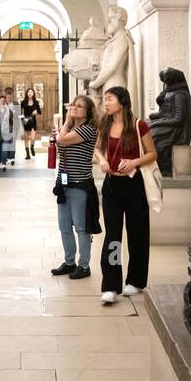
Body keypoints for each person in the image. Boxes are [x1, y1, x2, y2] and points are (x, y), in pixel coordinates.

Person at [95, 86, 157, 304]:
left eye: (109, 99)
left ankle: (136, 280)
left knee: (137, 233)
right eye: (105, 99)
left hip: (135, 185)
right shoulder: (105, 123)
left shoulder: (139, 125)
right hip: (112, 185)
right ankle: (111, 285)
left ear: (122, 101)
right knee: (113, 236)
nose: (106, 103)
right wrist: (102, 160)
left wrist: (134, 162)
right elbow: (98, 148)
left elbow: (152, 153)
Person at [50, 95, 100, 280]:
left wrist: (67, 120)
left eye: (79, 106)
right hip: (64, 184)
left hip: (80, 185)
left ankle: (84, 265)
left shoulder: (88, 129)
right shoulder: (70, 128)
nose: (74, 108)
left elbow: (61, 141)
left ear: (88, 112)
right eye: (73, 105)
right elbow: (61, 142)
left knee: (81, 227)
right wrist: (68, 122)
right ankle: (69, 262)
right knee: (64, 226)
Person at [0, 94, 17, 171]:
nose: (3, 102)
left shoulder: (9, 111)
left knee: (4, 148)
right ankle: (0, 161)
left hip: (6, 132)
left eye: (4, 101)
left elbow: (12, 122)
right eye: (1, 101)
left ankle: (4, 164)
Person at [20, 87, 43, 159]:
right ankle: (27, 154)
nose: (30, 93)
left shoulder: (36, 102)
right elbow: (20, 112)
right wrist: (22, 119)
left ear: (33, 94)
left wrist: (36, 112)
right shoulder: (23, 102)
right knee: (26, 138)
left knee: (32, 138)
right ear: (27, 93)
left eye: (31, 92)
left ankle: (32, 147)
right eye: (29, 92)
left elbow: (39, 112)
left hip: (33, 122)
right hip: (25, 121)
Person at [3, 87, 20, 165]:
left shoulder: (16, 103)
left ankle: (12, 158)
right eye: (7, 97)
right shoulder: (3, 104)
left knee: (13, 142)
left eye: (10, 97)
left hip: (14, 126)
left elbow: (19, 114)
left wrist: (14, 113)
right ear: (5, 97)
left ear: (12, 97)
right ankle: (6, 157)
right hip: (5, 127)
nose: (9, 99)